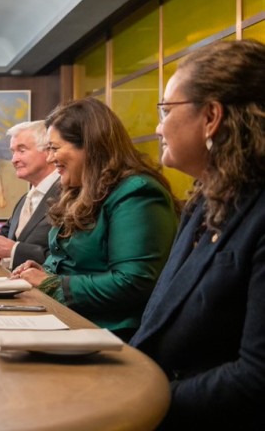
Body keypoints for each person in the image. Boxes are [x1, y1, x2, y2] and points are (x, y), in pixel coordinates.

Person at [130, 39, 265, 431]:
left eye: (166, 109)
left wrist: (136, 404)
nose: (158, 126)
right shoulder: (204, 200)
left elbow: (255, 380)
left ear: (211, 116)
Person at [13, 97, 179, 340]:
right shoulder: (78, 190)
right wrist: (43, 271)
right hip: (68, 321)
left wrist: (52, 284)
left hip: (111, 336)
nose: (49, 158)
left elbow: (132, 282)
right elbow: (68, 263)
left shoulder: (137, 192)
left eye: (55, 148)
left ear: (89, 146)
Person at [0, 120, 60, 269]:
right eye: (13, 152)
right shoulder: (26, 198)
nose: (14, 159)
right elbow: (8, 237)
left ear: (48, 151)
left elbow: (65, 260)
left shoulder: (69, 196)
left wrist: (14, 250)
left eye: (22, 150)